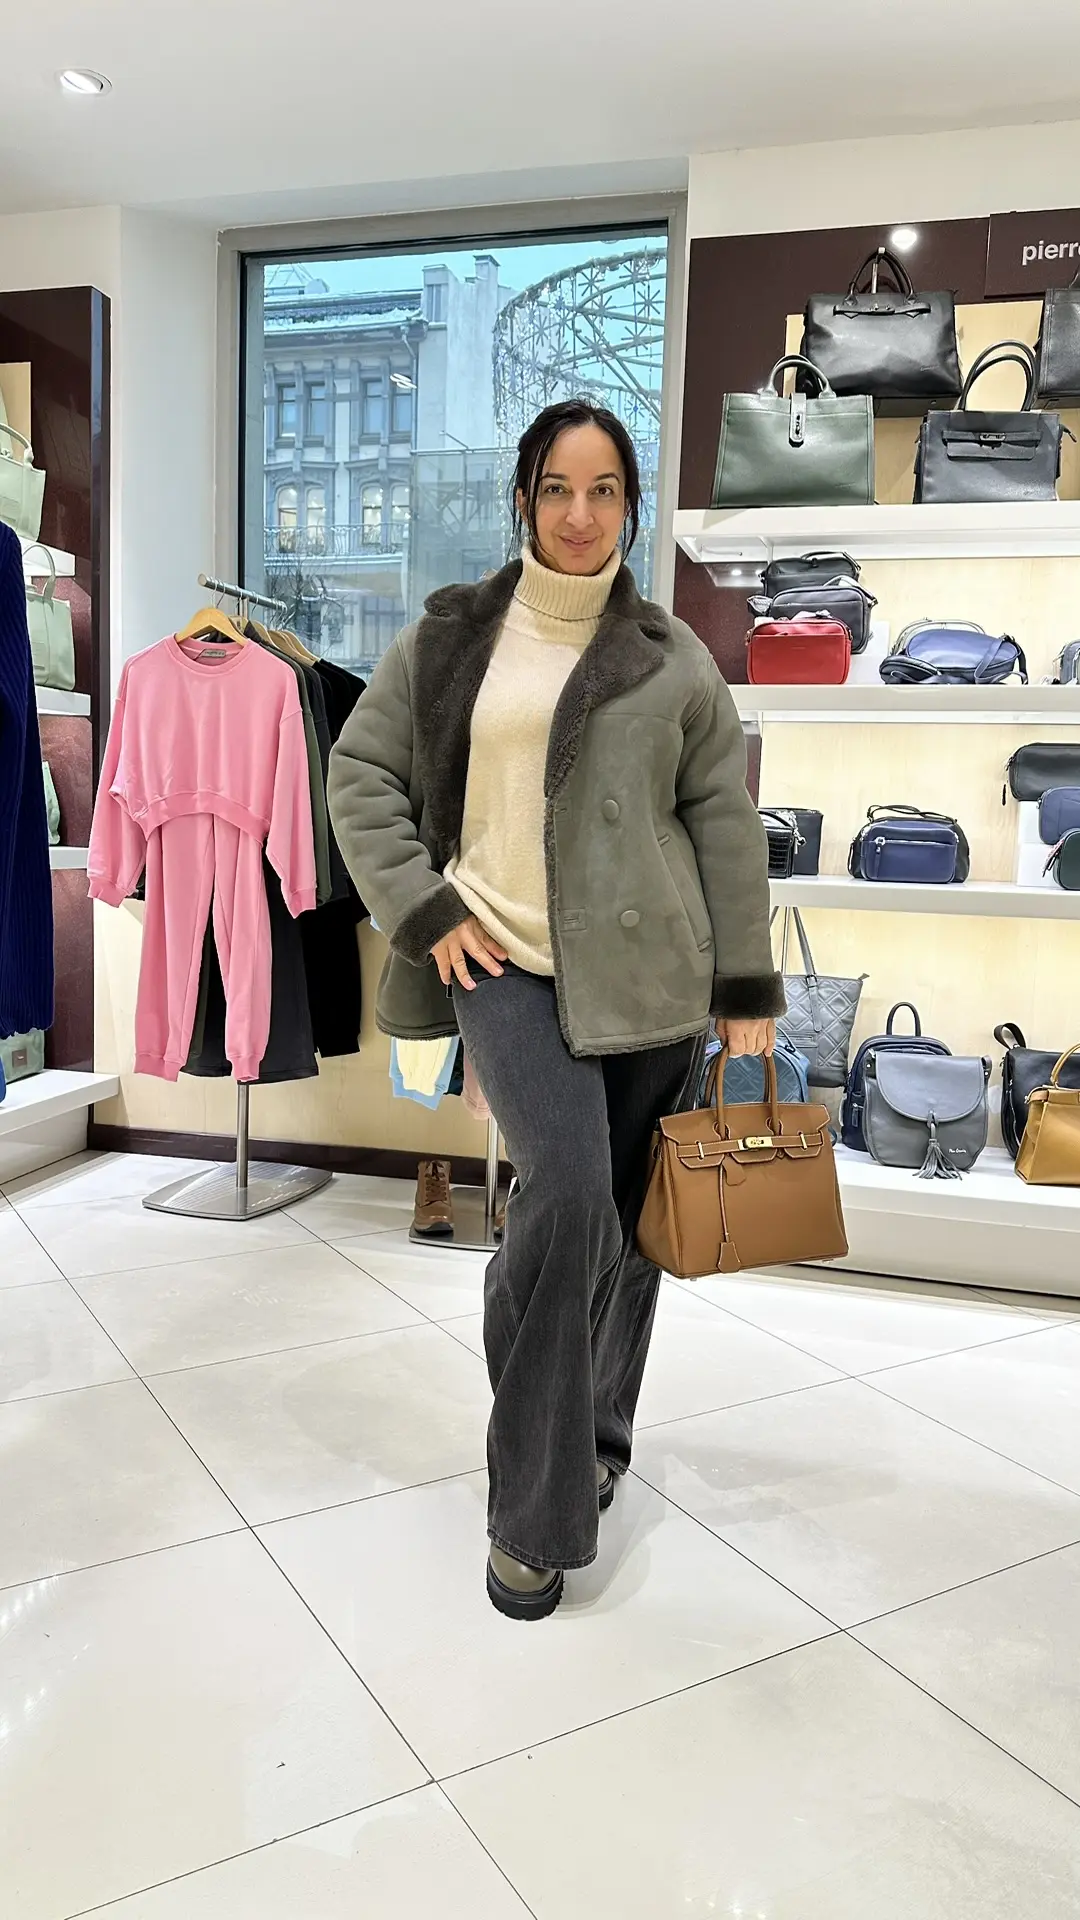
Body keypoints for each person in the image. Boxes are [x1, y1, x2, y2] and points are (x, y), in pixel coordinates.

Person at [328, 398, 781, 1620]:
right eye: (558, 489)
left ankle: (598, 1439)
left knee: (626, 1227)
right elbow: (359, 775)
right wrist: (426, 908)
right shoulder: (450, 636)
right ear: (523, 498)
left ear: (630, 506)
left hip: (652, 980)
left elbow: (724, 822)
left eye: (605, 491)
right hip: (504, 964)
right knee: (568, 1198)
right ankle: (533, 1510)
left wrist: (745, 987)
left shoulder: (670, 655)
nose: (581, 515)